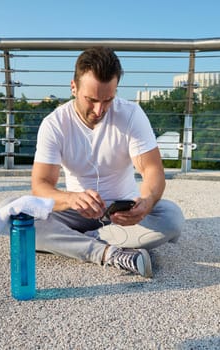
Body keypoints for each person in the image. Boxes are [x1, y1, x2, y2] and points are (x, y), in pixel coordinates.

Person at [30, 46, 184, 278]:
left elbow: (152, 170)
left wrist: (147, 201)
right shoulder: (54, 124)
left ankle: (75, 243)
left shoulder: (131, 114)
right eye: (91, 100)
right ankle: (109, 253)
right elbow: (40, 186)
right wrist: (72, 198)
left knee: (171, 217)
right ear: (73, 87)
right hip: (77, 211)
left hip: (123, 213)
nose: (99, 109)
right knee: (14, 214)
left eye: (108, 99)